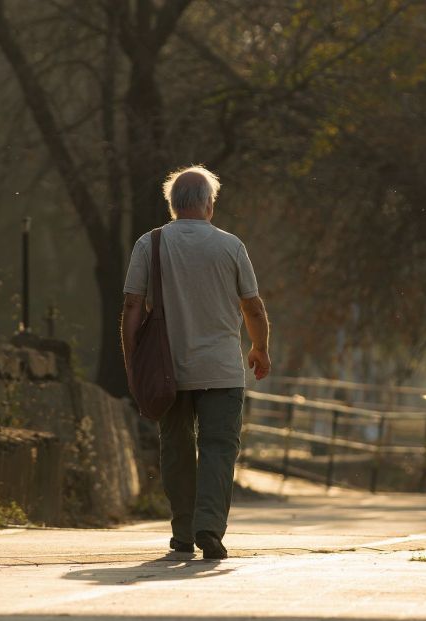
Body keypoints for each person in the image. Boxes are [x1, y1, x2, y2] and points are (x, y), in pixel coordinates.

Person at [120, 165, 271, 559]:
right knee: (219, 448)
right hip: (222, 370)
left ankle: (183, 530)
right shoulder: (230, 245)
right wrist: (260, 348)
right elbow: (252, 306)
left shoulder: (148, 244)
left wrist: (132, 356)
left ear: (172, 205)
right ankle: (210, 529)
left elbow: (133, 304)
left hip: (168, 370)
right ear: (209, 204)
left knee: (177, 447)